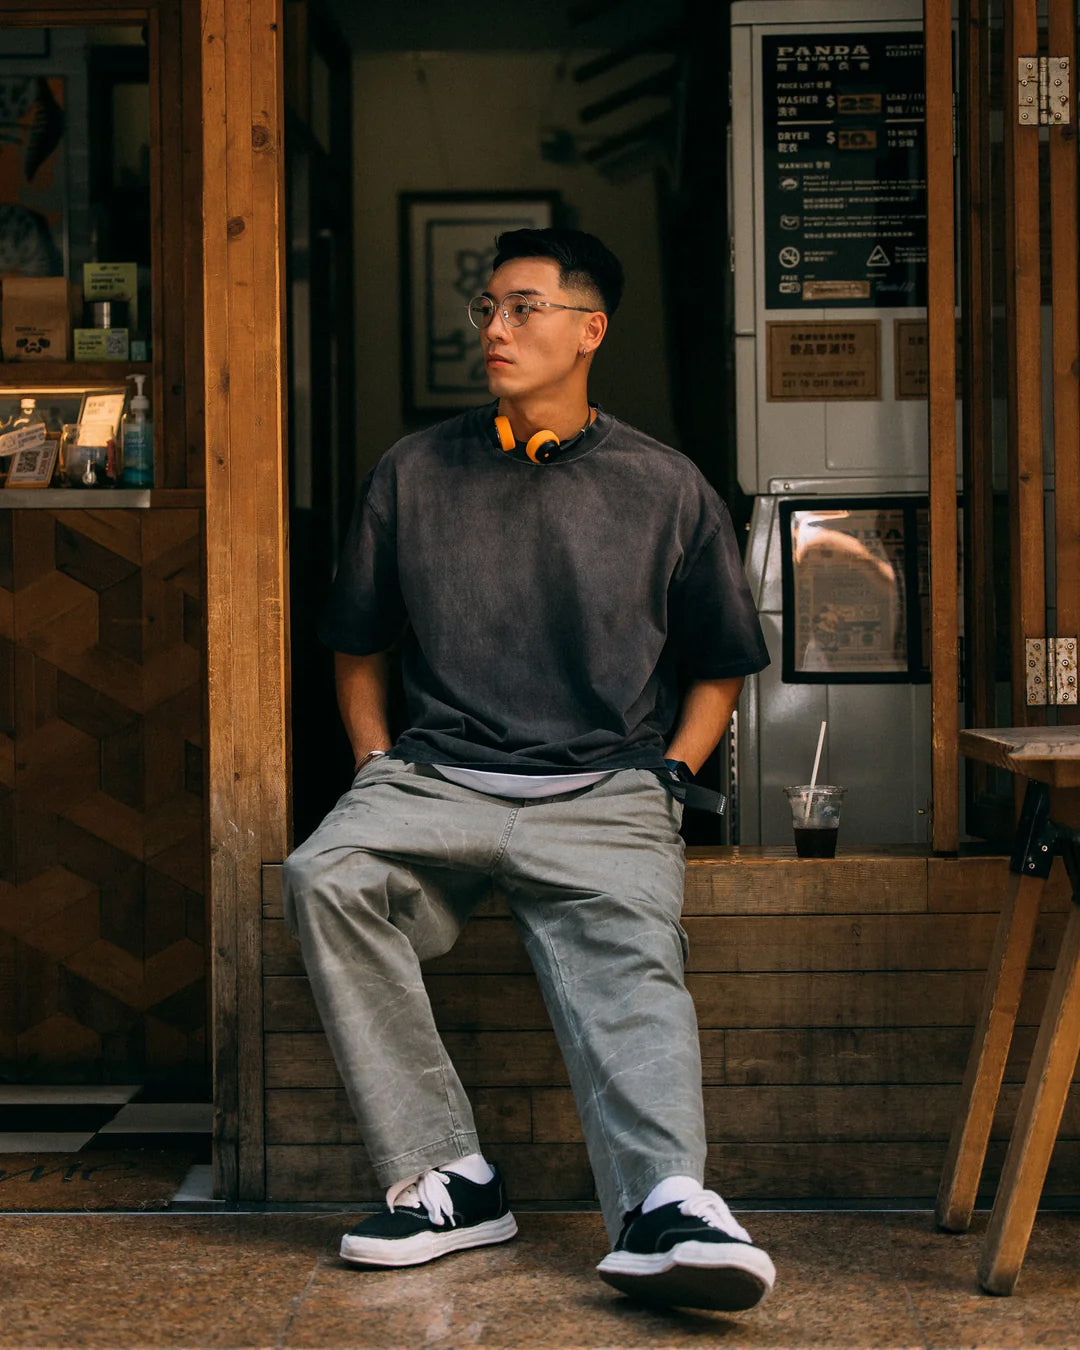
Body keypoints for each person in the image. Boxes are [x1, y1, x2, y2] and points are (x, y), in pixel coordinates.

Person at [282, 227, 775, 1313]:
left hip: (607, 789)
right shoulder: (414, 471)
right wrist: (372, 761)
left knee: (634, 961)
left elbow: (722, 663)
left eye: (522, 308)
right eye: (487, 310)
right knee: (323, 875)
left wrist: (669, 776)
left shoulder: (666, 486)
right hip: (434, 779)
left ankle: (669, 1205)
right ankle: (448, 1177)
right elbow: (357, 641)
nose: (495, 330)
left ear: (589, 330)